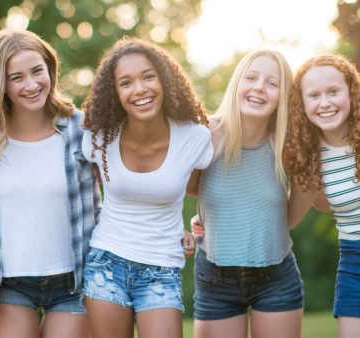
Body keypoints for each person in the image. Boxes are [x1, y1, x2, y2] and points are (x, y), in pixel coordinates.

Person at [80, 37, 213, 338]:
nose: (140, 89)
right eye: (126, 82)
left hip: (161, 267)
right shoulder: (99, 137)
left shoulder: (194, 138)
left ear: (165, 80)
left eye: (148, 76)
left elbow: (204, 189)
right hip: (106, 262)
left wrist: (197, 225)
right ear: (115, 92)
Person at [0, 29, 101, 338]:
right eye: (16, 77)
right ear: (0, 84)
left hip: (75, 281)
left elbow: (124, 189)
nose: (31, 85)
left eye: (36, 71)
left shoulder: (81, 129)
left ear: (50, 69)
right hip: (10, 284)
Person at [189, 49, 303, 338]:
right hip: (215, 279)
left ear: (282, 96)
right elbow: (188, 189)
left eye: (272, 83)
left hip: (277, 276)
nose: (259, 88)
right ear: (237, 84)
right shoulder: (205, 135)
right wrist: (209, 219)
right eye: (251, 78)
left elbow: (287, 219)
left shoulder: (288, 145)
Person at [284, 54, 360, 338]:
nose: (325, 102)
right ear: (302, 104)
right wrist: (210, 217)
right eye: (314, 95)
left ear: (351, 92)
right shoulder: (310, 161)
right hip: (354, 260)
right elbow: (288, 219)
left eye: (333, 92)